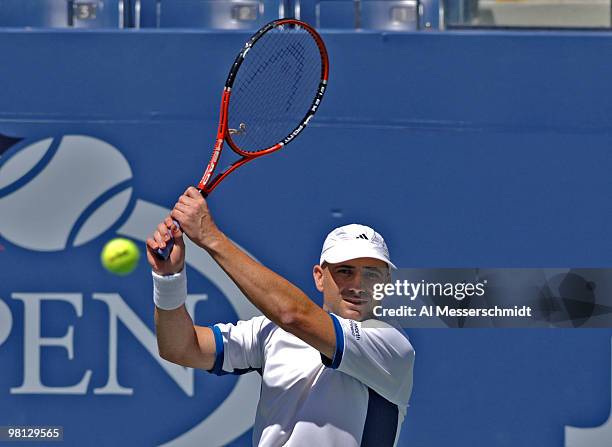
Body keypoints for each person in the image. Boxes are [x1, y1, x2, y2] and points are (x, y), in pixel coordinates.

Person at [146, 187, 415, 447]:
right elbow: (180, 348)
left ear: (387, 283)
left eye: (371, 273)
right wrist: (168, 279)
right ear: (319, 278)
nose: (358, 285)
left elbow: (292, 314)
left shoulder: (392, 345)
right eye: (345, 271)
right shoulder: (272, 333)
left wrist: (210, 237)